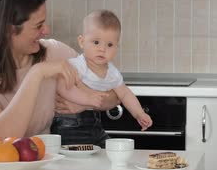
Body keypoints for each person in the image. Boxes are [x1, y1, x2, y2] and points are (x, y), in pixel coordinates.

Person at [0, 0, 119, 139]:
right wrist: (37, 73)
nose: (46, 30)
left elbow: (116, 94)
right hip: (7, 162)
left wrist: (83, 102)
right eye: (38, 26)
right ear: (9, 30)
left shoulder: (54, 51)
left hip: (46, 157)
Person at [51, 10, 153, 147]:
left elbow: (124, 94)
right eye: (96, 42)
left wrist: (139, 113)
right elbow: (61, 85)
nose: (102, 49)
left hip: (95, 125)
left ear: (117, 47)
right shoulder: (77, 65)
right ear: (82, 42)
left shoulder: (112, 73)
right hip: (69, 126)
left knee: (109, 153)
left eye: (109, 45)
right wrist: (87, 99)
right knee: (76, 162)